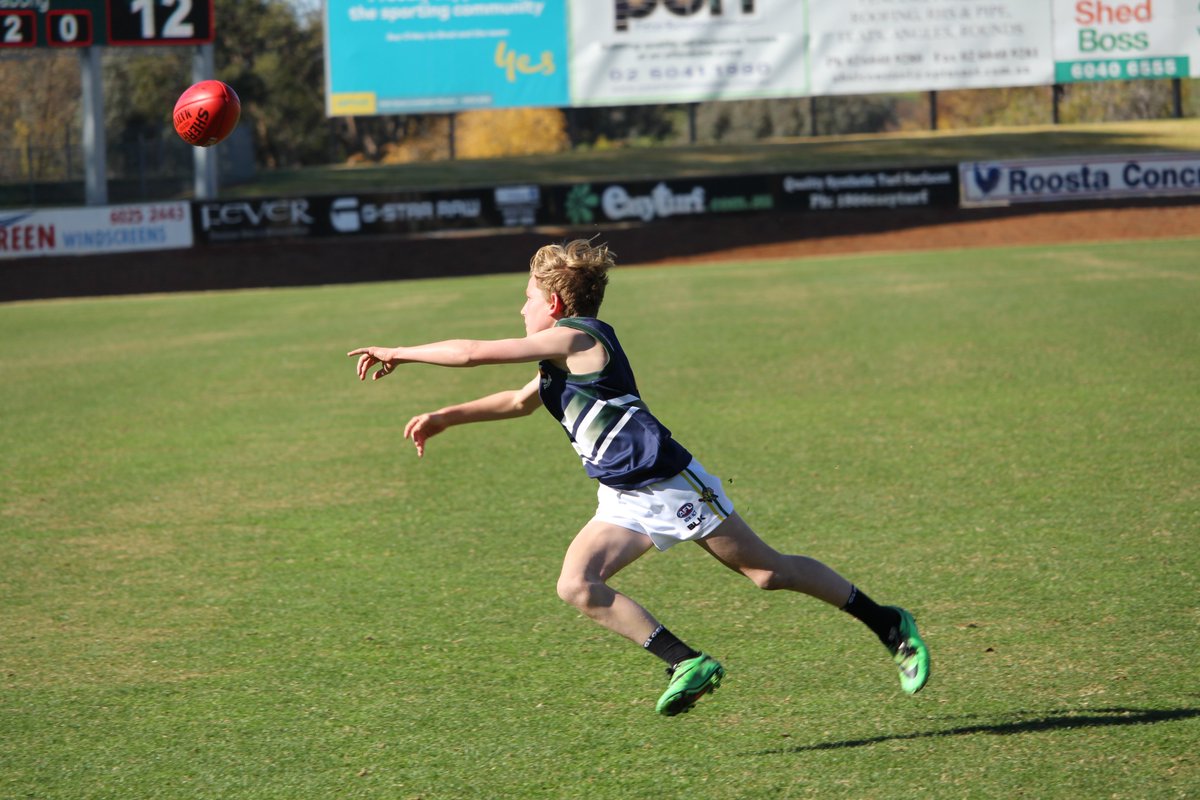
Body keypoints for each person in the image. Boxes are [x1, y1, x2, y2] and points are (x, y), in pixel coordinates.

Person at [348, 239, 930, 717]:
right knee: (577, 585)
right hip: (622, 495)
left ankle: (889, 623)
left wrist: (400, 349)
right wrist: (445, 418)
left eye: (526, 298)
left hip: (670, 483)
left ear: (553, 302)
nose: (520, 308)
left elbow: (475, 352)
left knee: (767, 573)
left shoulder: (580, 338)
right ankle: (686, 661)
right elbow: (518, 402)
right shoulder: (557, 361)